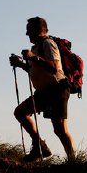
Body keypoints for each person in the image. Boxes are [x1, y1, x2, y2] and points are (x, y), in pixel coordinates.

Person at [9, 16, 76, 161]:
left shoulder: (48, 43)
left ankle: (74, 162)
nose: (27, 34)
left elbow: (54, 68)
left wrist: (33, 57)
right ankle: (40, 147)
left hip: (58, 89)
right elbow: (36, 70)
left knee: (60, 129)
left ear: (38, 30)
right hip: (45, 91)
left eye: (29, 30)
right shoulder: (37, 47)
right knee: (20, 112)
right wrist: (21, 64)